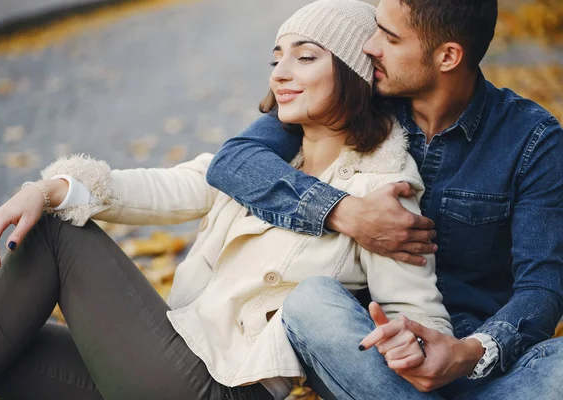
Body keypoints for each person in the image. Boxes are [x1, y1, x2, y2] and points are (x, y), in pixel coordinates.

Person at [0, 1, 453, 399]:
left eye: (305, 56)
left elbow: (420, 313)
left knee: (55, 235)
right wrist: (44, 189)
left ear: (355, 73)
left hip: (223, 385)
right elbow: (158, 188)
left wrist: (414, 342)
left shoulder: (383, 191)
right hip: (174, 351)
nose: (280, 72)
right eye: (276, 58)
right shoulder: (263, 163)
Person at [206, 0, 563, 399]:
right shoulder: (353, 94)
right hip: (370, 356)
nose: (370, 46)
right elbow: (235, 162)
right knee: (310, 301)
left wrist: (468, 352)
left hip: (478, 364)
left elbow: (542, 286)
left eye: (390, 38)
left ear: (448, 56)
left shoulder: (532, 140)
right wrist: (343, 212)